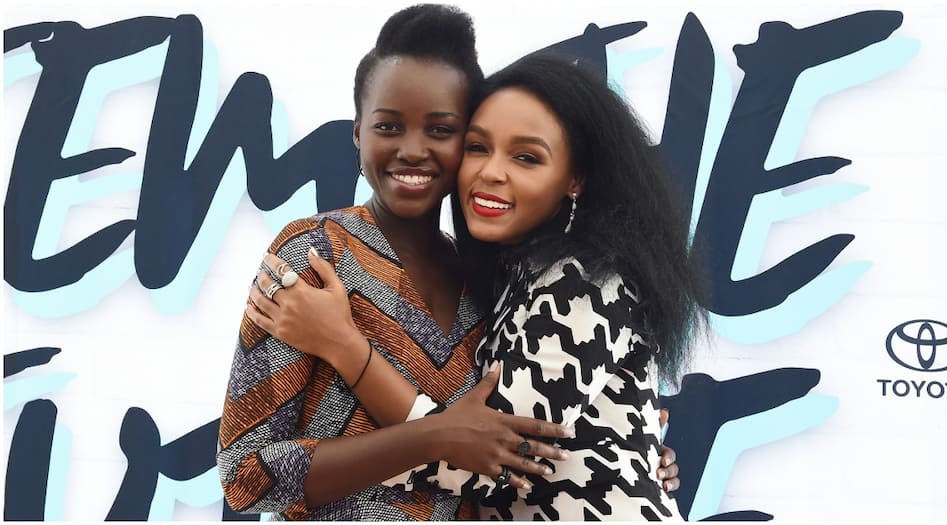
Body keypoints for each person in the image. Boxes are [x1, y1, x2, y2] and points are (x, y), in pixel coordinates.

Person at [250, 53, 703, 520]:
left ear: (575, 179)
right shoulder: (505, 278)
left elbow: (492, 464)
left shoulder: (585, 282)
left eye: (526, 157)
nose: (491, 172)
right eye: (478, 147)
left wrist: (344, 351)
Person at [217, 5, 573, 521]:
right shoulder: (313, 257)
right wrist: (431, 436)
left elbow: (516, 449)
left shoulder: (486, 280)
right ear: (358, 132)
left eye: (440, 130)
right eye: (389, 126)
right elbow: (244, 477)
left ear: (469, 142)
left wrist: (629, 455)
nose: (412, 150)